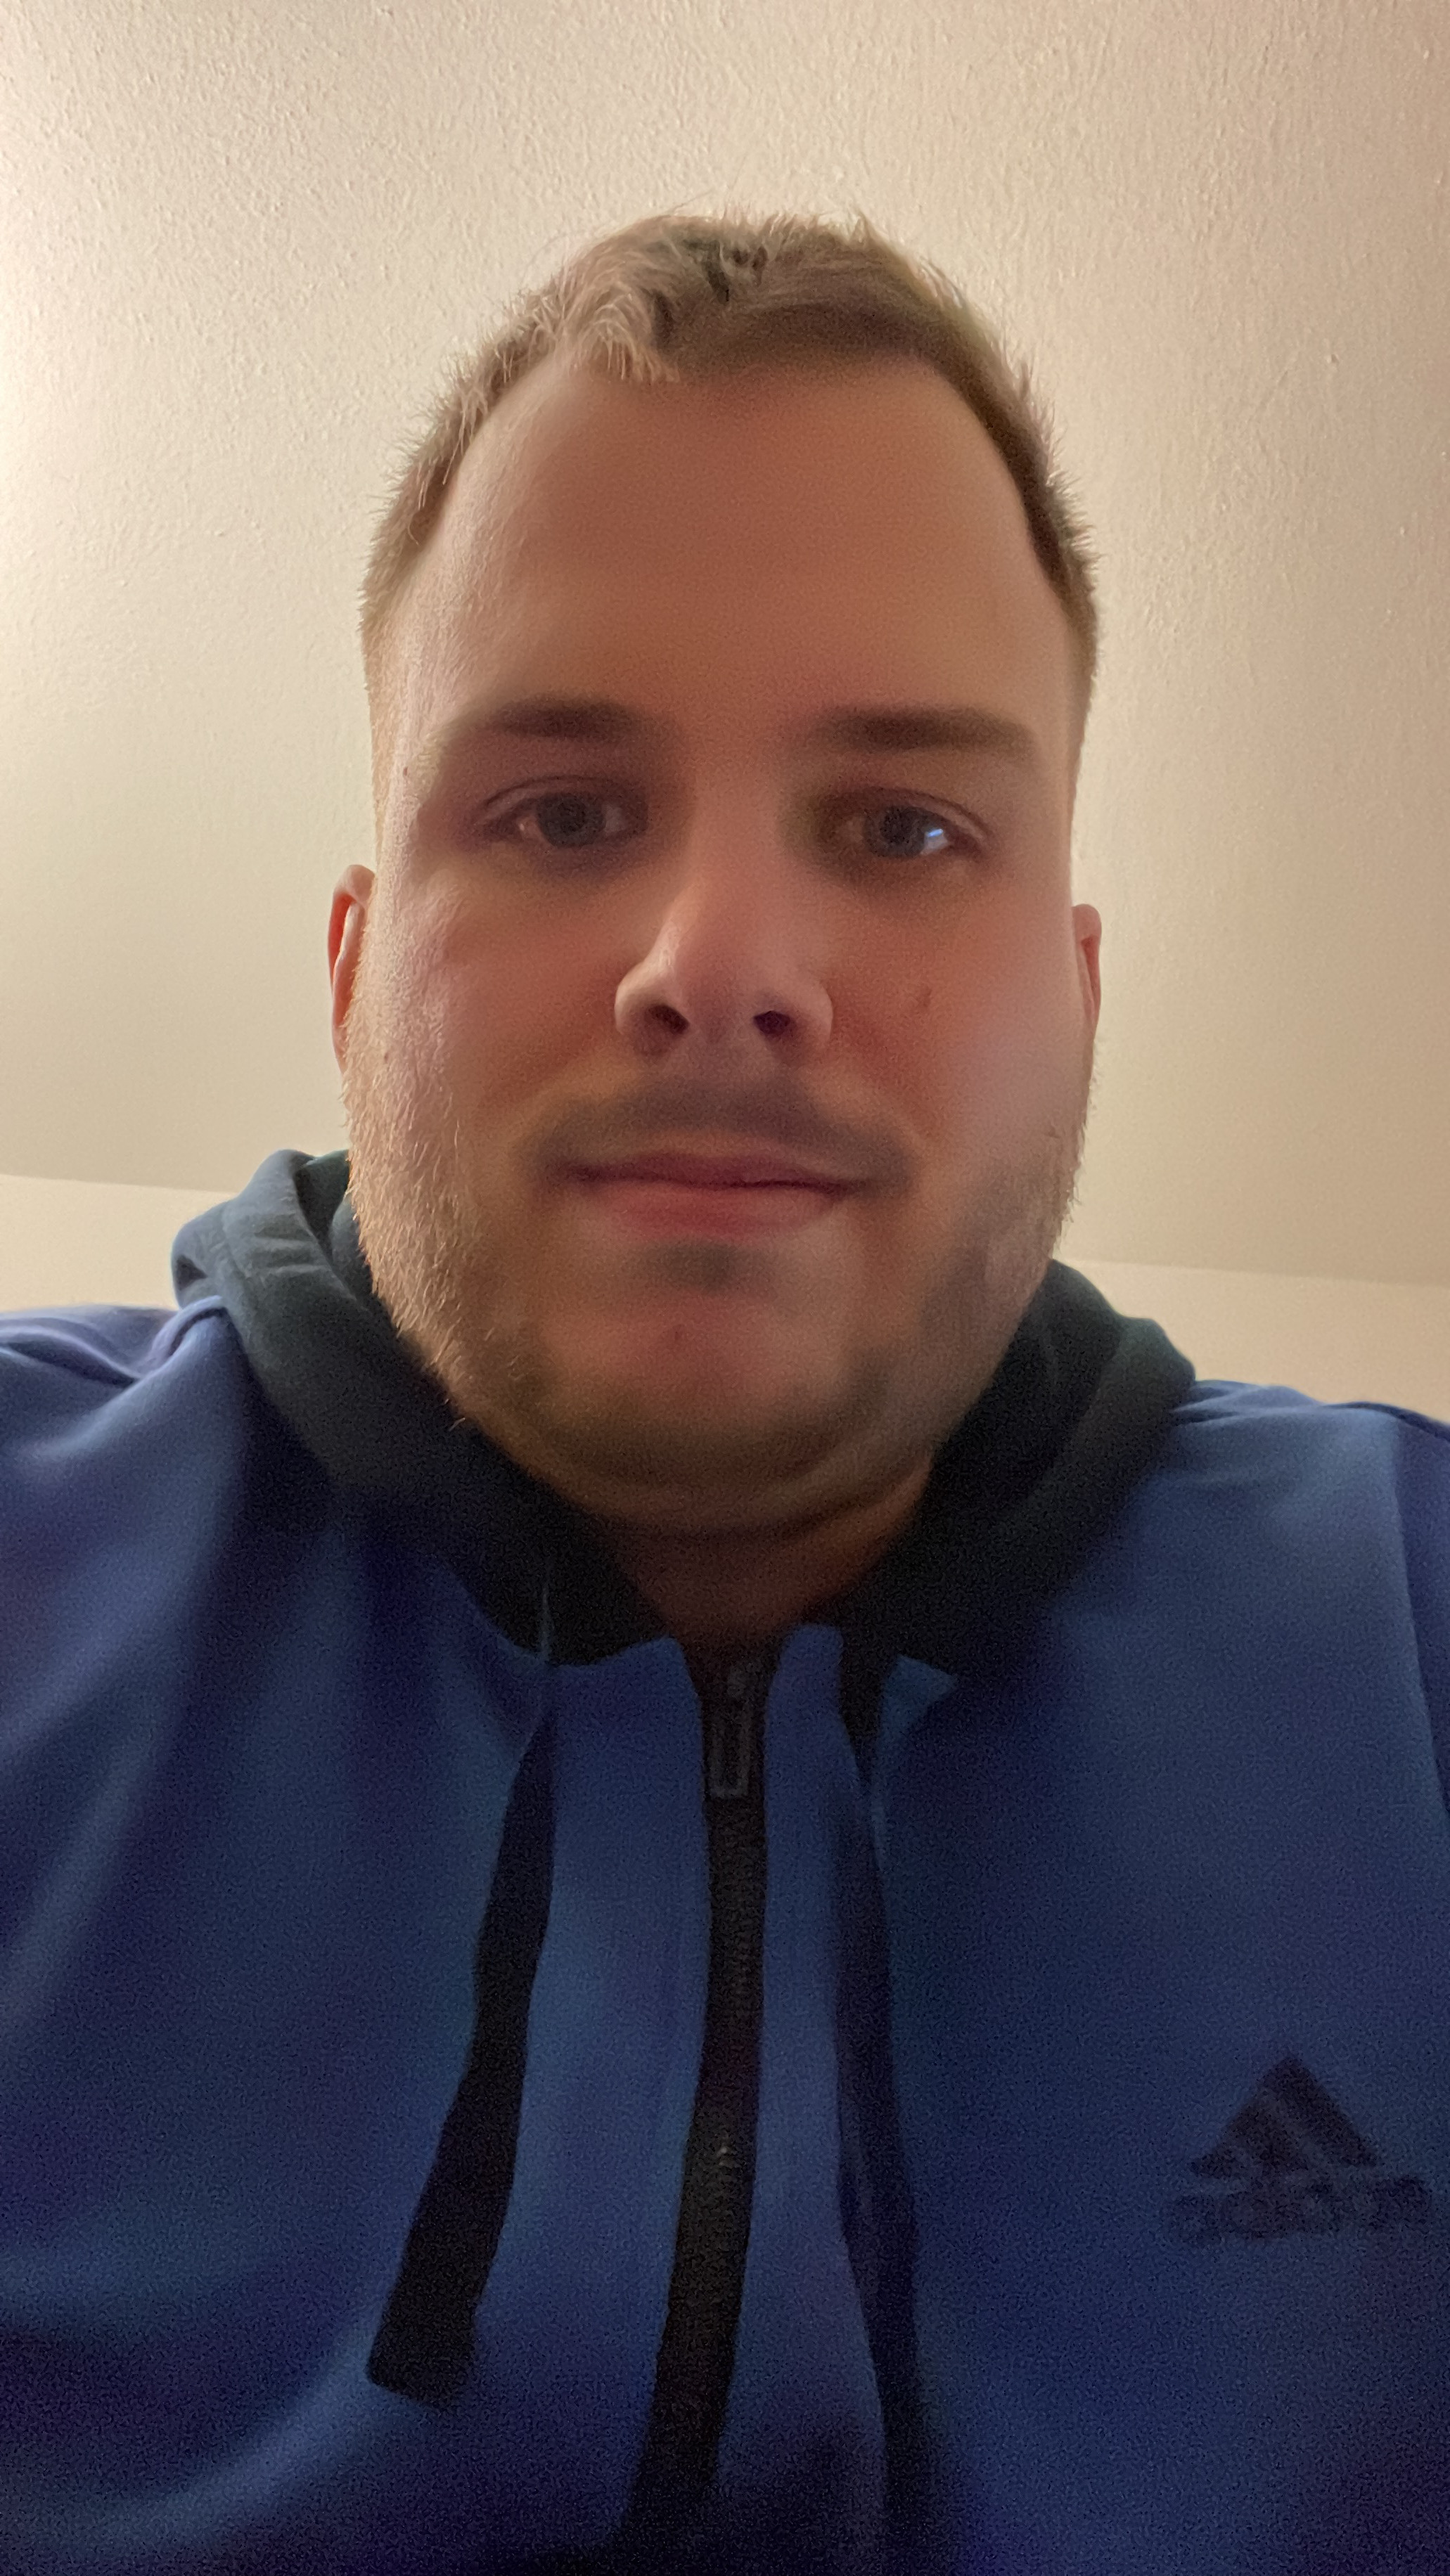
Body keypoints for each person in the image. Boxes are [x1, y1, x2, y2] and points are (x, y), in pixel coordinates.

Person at [1, 210, 1447, 2576]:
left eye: (904, 828)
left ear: (1079, 1000)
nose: (721, 961)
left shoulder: (1417, 1636)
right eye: (564, 811)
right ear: (353, 972)